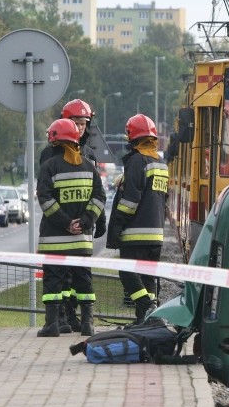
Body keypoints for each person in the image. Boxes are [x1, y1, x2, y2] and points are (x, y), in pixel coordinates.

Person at [40, 98, 107, 333]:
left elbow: (96, 193)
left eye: (83, 123)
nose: (79, 128)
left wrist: (96, 221)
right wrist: (83, 221)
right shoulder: (50, 155)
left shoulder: (88, 155)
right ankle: (62, 318)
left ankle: (68, 319)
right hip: (76, 234)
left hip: (63, 233)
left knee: (67, 279)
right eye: (75, 123)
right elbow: (99, 195)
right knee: (74, 279)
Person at [107, 114, 168, 324]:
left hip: (136, 232)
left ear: (131, 137)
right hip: (156, 233)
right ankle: (145, 319)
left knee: (128, 272)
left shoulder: (136, 161)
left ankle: (145, 306)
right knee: (148, 277)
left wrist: (118, 224)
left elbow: (131, 200)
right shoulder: (160, 163)